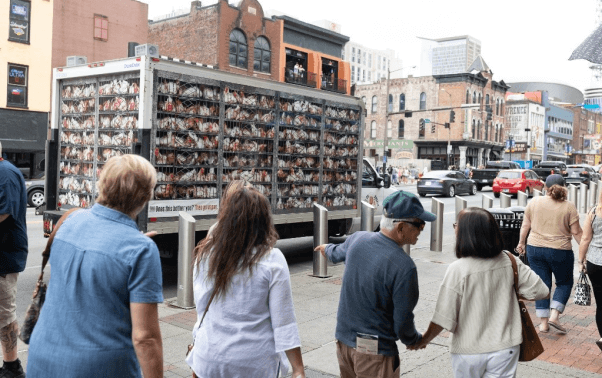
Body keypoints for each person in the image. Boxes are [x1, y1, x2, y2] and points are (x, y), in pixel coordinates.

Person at [27, 155, 164, 378]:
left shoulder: (68, 221)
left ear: (102, 183)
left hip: (43, 358)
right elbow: (145, 338)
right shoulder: (141, 250)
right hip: (98, 368)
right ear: (145, 195)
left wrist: (130, 245)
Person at [186, 180, 305, 378]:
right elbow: (283, 322)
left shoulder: (205, 254)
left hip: (209, 358)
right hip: (254, 363)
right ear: (263, 220)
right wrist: (298, 368)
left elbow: (202, 306)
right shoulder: (272, 260)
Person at [413, 208, 549, 377]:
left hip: (468, 350)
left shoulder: (458, 269)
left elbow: (444, 316)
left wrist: (424, 340)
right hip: (505, 348)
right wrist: (509, 293)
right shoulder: (509, 260)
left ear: (467, 233)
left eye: (456, 225)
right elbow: (542, 291)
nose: (454, 229)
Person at [315, 191, 436, 378]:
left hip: (343, 344)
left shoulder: (357, 239)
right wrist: (414, 340)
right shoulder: (404, 267)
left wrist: (325, 248)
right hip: (375, 354)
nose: (422, 229)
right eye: (419, 224)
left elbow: (336, 253)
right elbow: (402, 321)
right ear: (401, 227)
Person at [516, 174, 582, 333]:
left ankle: (544, 324)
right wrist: (585, 250)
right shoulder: (569, 206)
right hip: (560, 251)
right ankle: (554, 315)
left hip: (535, 249)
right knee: (564, 283)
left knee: (542, 284)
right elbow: (576, 232)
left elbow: (525, 225)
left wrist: (521, 243)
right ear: (564, 187)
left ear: (545, 187)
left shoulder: (534, 202)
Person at [0, 141, 28, 378]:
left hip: (4, 255)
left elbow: (4, 212)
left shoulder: (5, 173)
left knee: (4, 313)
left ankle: (12, 367)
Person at [577, 193, 602, 350]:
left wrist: (581, 261)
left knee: (601, 304)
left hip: (595, 262)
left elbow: (585, 239)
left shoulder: (594, 212)